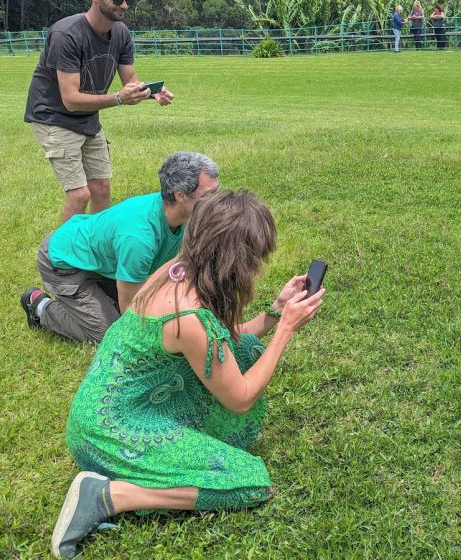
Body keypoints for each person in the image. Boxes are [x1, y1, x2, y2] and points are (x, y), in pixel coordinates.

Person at [49, 189, 325, 559]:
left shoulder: (176, 271)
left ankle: (147, 470)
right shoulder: (191, 319)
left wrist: (275, 310)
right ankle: (108, 495)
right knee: (246, 481)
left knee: (243, 352)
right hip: (110, 431)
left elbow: (224, 343)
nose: (258, 267)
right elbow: (241, 398)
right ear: (236, 260)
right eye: (255, 259)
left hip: (107, 410)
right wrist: (286, 330)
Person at [20, 152, 219, 344]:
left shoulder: (184, 215)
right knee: (110, 334)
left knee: (154, 305)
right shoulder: (139, 238)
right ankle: (40, 305)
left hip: (98, 263)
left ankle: (96, 297)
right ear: (181, 195)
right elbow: (130, 307)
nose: (217, 201)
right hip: (63, 263)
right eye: (209, 194)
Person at [24, 0, 175, 224]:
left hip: (88, 118)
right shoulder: (66, 34)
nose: (124, 5)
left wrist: (152, 92)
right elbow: (71, 100)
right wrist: (118, 99)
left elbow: (130, 81)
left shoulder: (121, 32)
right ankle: (60, 255)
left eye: (128, 1)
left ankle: (96, 249)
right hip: (53, 118)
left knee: (101, 188)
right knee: (79, 195)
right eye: (117, 0)